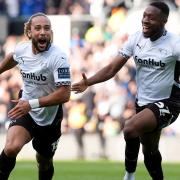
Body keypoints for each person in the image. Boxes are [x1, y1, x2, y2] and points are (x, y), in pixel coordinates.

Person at [71, 1, 180, 180]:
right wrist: (88, 82)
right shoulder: (136, 38)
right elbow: (111, 69)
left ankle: (129, 175)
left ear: (164, 21)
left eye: (151, 18)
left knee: (130, 128)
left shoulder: (175, 44)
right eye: (144, 16)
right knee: (150, 151)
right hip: (143, 102)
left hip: (169, 102)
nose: (145, 20)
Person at [0, 13, 71, 180]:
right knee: (11, 148)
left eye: (47, 28)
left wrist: (32, 104)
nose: (43, 32)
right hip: (26, 109)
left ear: (51, 33)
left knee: (44, 161)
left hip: (49, 116)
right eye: (37, 28)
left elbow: (64, 94)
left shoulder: (59, 57)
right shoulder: (22, 49)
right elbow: (12, 57)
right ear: (29, 33)